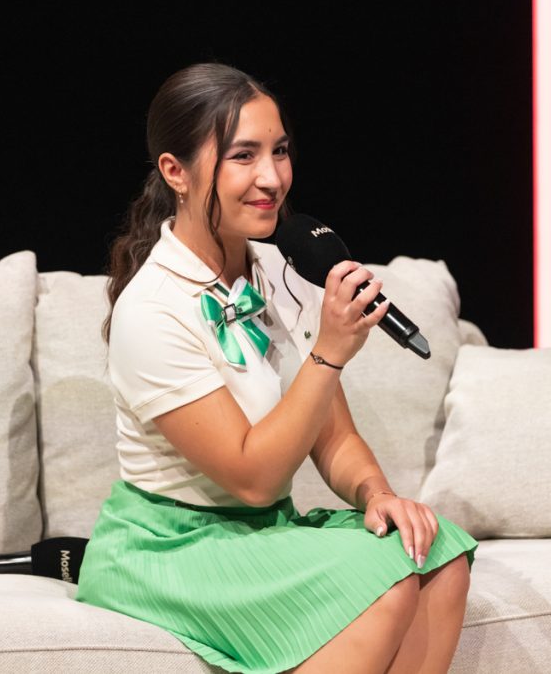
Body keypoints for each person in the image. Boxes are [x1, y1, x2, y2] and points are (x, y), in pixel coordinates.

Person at [74, 62, 479, 674]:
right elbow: (254, 479)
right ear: (176, 172)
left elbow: (334, 436)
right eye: (244, 156)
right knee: (386, 583)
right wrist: (329, 351)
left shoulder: (284, 272)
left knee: (436, 555)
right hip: (170, 545)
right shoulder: (151, 309)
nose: (272, 178)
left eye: (280, 151)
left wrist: (378, 495)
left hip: (262, 530)